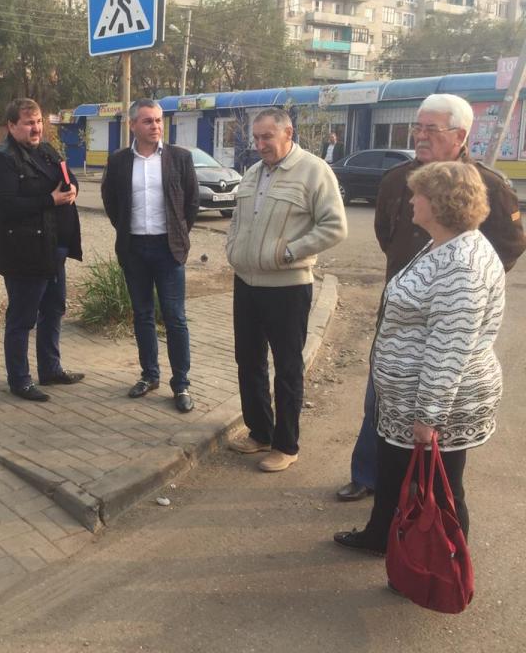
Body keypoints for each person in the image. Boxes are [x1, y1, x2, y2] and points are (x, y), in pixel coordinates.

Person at [335, 93, 525, 502]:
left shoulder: (489, 185)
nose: (419, 136)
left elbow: (510, 244)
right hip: (400, 315)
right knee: (379, 403)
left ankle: (420, 498)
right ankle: (370, 477)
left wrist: (461, 292)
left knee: (435, 432)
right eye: (416, 127)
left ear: (460, 135)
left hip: (447, 326)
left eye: (430, 129)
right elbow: (386, 235)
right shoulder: (397, 180)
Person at [334, 162, 505, 555]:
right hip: (405, 401)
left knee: (441, 492)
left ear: (441, 203)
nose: (411, 200)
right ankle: (382, 537)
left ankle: (443, 567)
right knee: (394, 476)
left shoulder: (463, 265)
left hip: (435, 407)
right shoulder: (443, 244)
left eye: (418, 195)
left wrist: (428, 416)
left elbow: (449, 348)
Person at [225, 108, 347, 472]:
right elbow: (238, 220)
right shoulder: (253, 172)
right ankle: (260, 431)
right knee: (248, 361)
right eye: (256, 138)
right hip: (246, 283)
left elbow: (335, 226)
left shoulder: (313, 170)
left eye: (267, 137)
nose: (260, 144)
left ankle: (286, 444)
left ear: (288, 133)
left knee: (287, 367)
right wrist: (233, 249)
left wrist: (290, 252)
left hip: (287, 287)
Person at [100, 98, 199, 413]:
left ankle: (181, 384)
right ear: (132, 125)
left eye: (158, 120)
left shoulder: (179, 158)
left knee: (175, 317)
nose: (155, 126)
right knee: (142, 315)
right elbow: (111, 202)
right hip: (134, 250)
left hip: (168, 250)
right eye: (148, 121)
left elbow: (191, 203)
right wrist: (127, 230)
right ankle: (149, 375)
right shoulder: (118, 161)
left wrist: (178, 235)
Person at [0, 98, 84, 402]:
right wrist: (50, 200)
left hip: (54, 249)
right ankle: (20, 380)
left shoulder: (46, 151)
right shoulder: (2, 160)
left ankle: (50, 368)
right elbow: (4, 207)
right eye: (29, 123)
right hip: (24, 252)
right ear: (11, 126)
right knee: (22, 318)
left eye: (39, 122)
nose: (36, 128)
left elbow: (67, 176)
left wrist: (73, 187)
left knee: (54, 309)